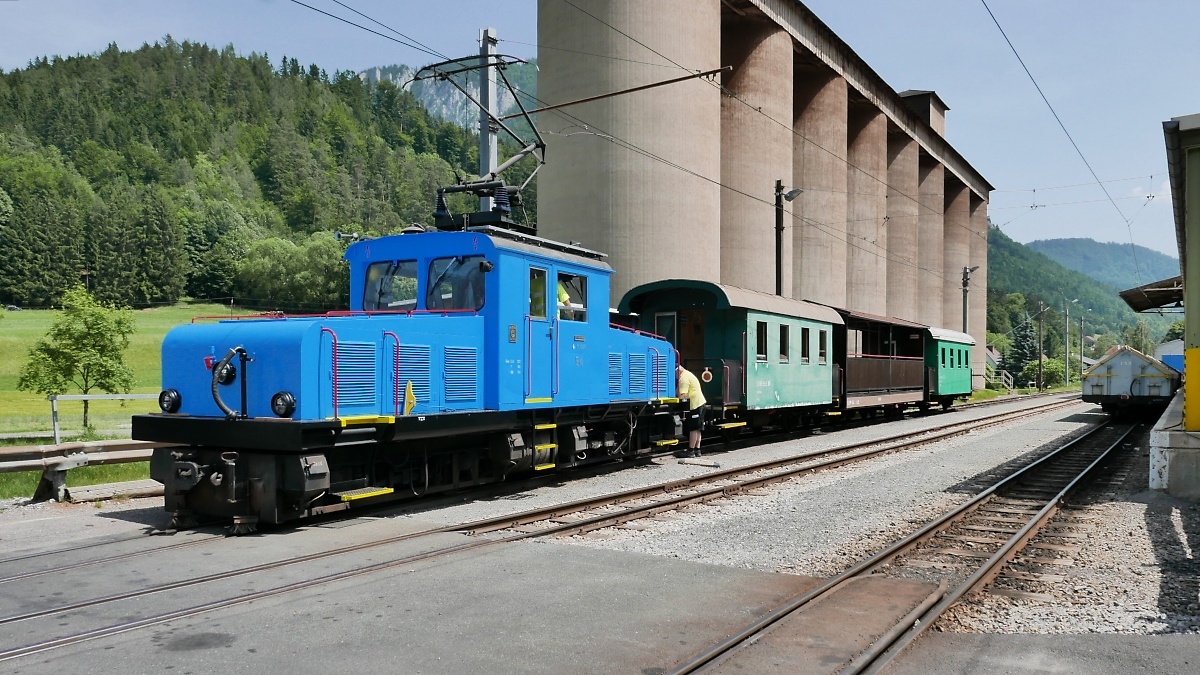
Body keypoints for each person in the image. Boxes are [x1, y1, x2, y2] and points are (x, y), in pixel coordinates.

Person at [676, 364, 706, 457]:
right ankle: (697, 450)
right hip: (701, 403)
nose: (676, 377)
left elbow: (682, 395)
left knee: (693, 429)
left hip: (695, 404)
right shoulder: (688, 374)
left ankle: (691, 451)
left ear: (678, 372)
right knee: (698, 428)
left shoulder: (683, 378)